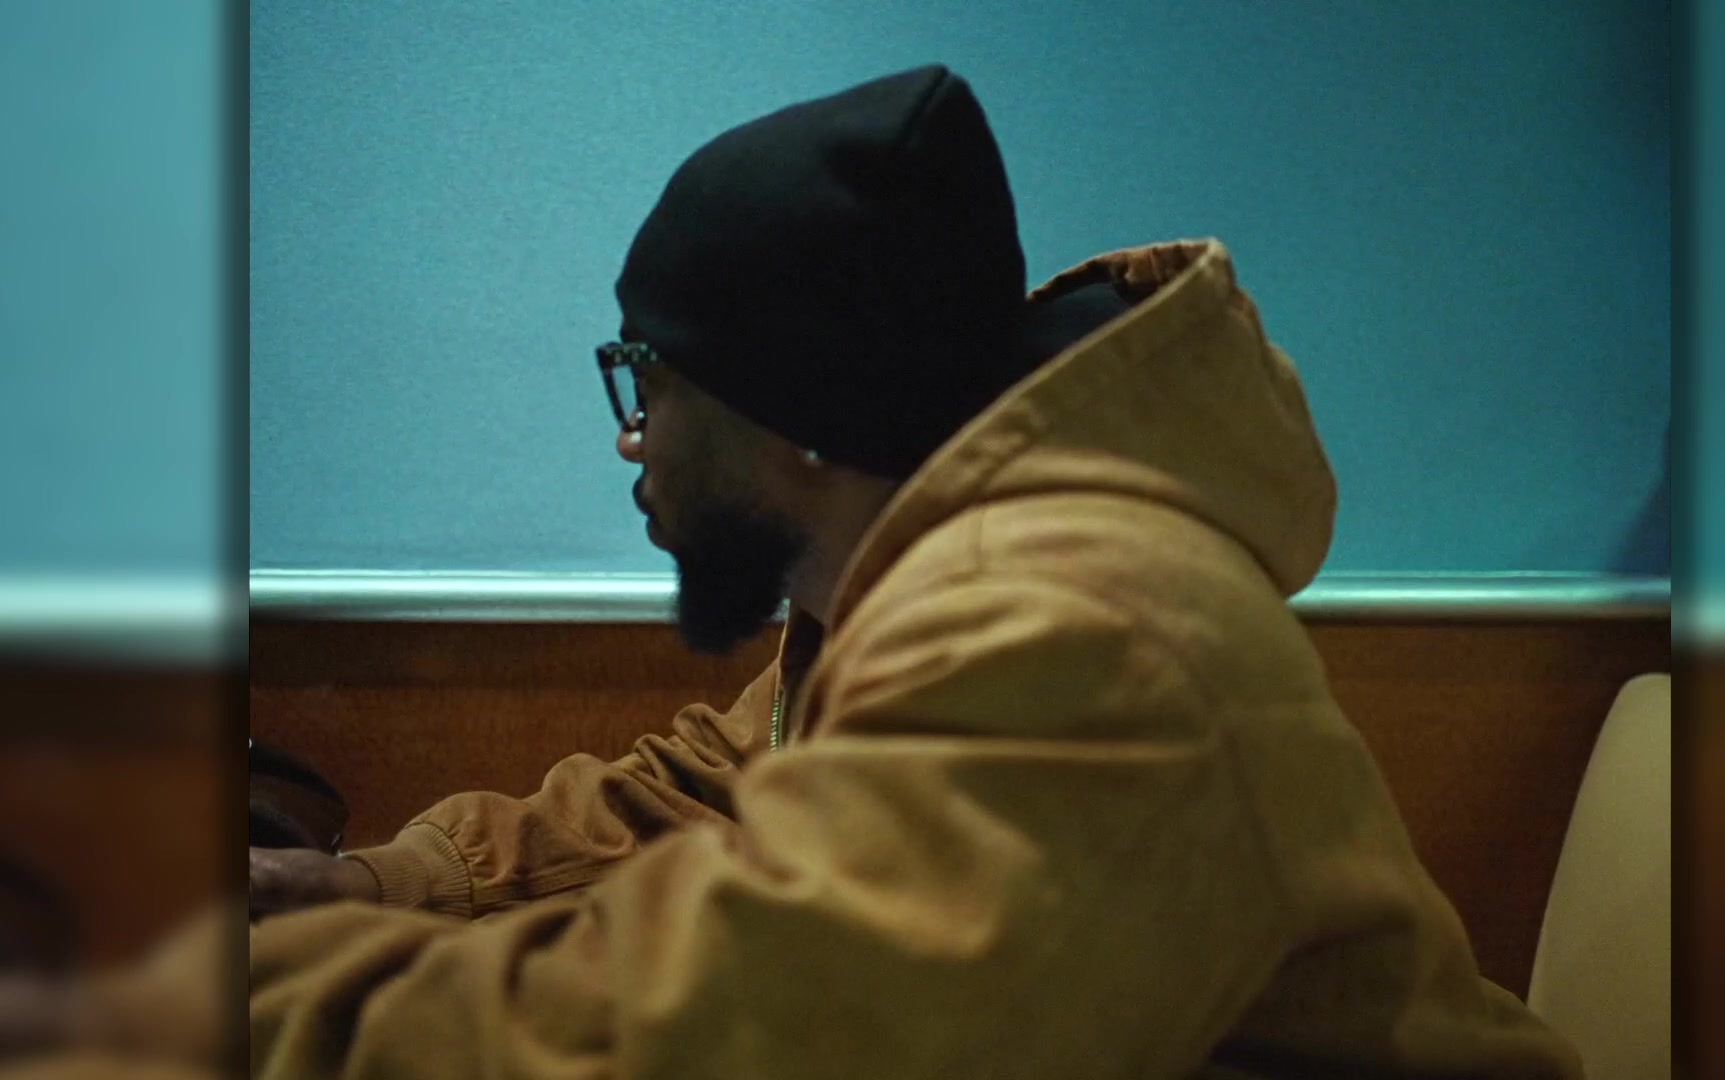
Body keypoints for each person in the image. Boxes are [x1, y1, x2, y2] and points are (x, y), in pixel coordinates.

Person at [12, 64, 1584, 1079]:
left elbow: (698, 1040)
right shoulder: (925, 574)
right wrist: (373, 884)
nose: (632, 436)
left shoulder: (1079, 632)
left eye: (652, 377)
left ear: (787, 417)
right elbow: (712, 794)